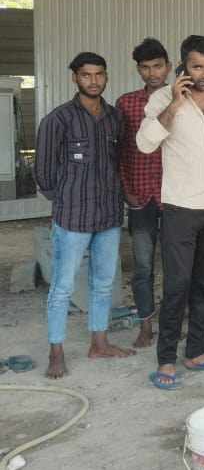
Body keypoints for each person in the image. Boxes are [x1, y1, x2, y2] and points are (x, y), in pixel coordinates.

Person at [137, 35, 204, 389]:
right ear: (183, 66)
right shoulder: (163, 99)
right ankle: (166, 360)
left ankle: (196, 352)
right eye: (198, 66)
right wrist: (174, 105)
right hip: (180, 206)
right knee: (178, 285)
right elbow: (145, 142)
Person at [35, 52, 134, 379]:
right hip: (72, 217)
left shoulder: (114, 117)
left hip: (107, 215)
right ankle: (56, 352)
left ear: (106, 77)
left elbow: (118, 160)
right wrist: (63, 199)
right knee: (62, 286)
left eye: (100, 74)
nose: (94, 81)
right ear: (74, 77)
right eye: (87, 75)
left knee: (103, 283)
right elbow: (44, 173)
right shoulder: (59, 119)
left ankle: (99, 343)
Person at [115, 37, 171, 349]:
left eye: (157, 66)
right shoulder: (126, 103)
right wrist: (126, 189)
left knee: (177, 266)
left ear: (169, 66)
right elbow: (120, 151)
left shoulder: (181, 98)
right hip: (140, 195)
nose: (152, 73)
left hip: (176, 195)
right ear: (138, 69)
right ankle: (146, 324)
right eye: (146, 68)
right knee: (143, 266)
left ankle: (172, 323)